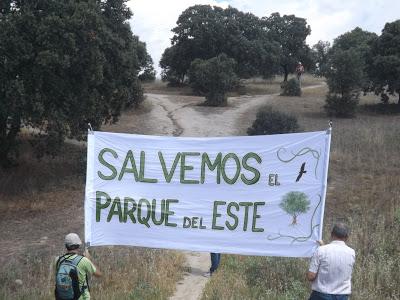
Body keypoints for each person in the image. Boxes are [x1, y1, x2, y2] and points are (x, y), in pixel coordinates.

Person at [307, 223, 355, 300]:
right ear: (346, 237)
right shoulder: (352, 253)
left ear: (331, 234)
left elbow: (311, 276)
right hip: (342, 296)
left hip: (321, 295)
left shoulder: (321, 251)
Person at [55, 233, 102, 300]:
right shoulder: (83, 261)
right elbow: (98, 274)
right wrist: (89, 260)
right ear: (78, 245)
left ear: (66, 245)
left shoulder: (58, 260)